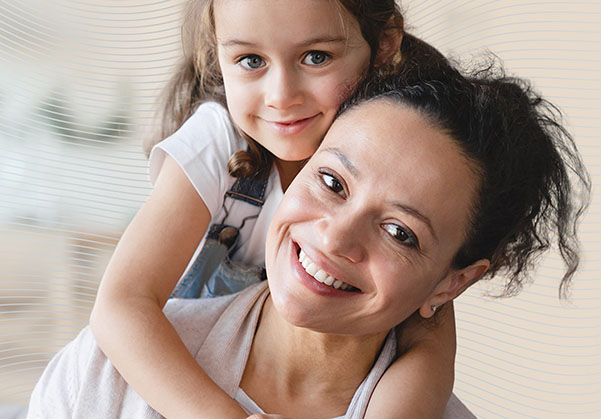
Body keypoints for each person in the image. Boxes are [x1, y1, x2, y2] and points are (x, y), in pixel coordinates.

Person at [27, 55, 590, 419]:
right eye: (332, 181)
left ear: (450, 283)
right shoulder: (107, 371)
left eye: (400, 232)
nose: (336, 236)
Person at [88, 0, 459, 417]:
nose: (281, 96)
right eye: (251, 60)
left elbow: (429, 345)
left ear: (385, 43)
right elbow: (121, 304)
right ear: (217, 54)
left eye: (316, 57)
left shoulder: (388, 152)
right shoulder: (219, 142)